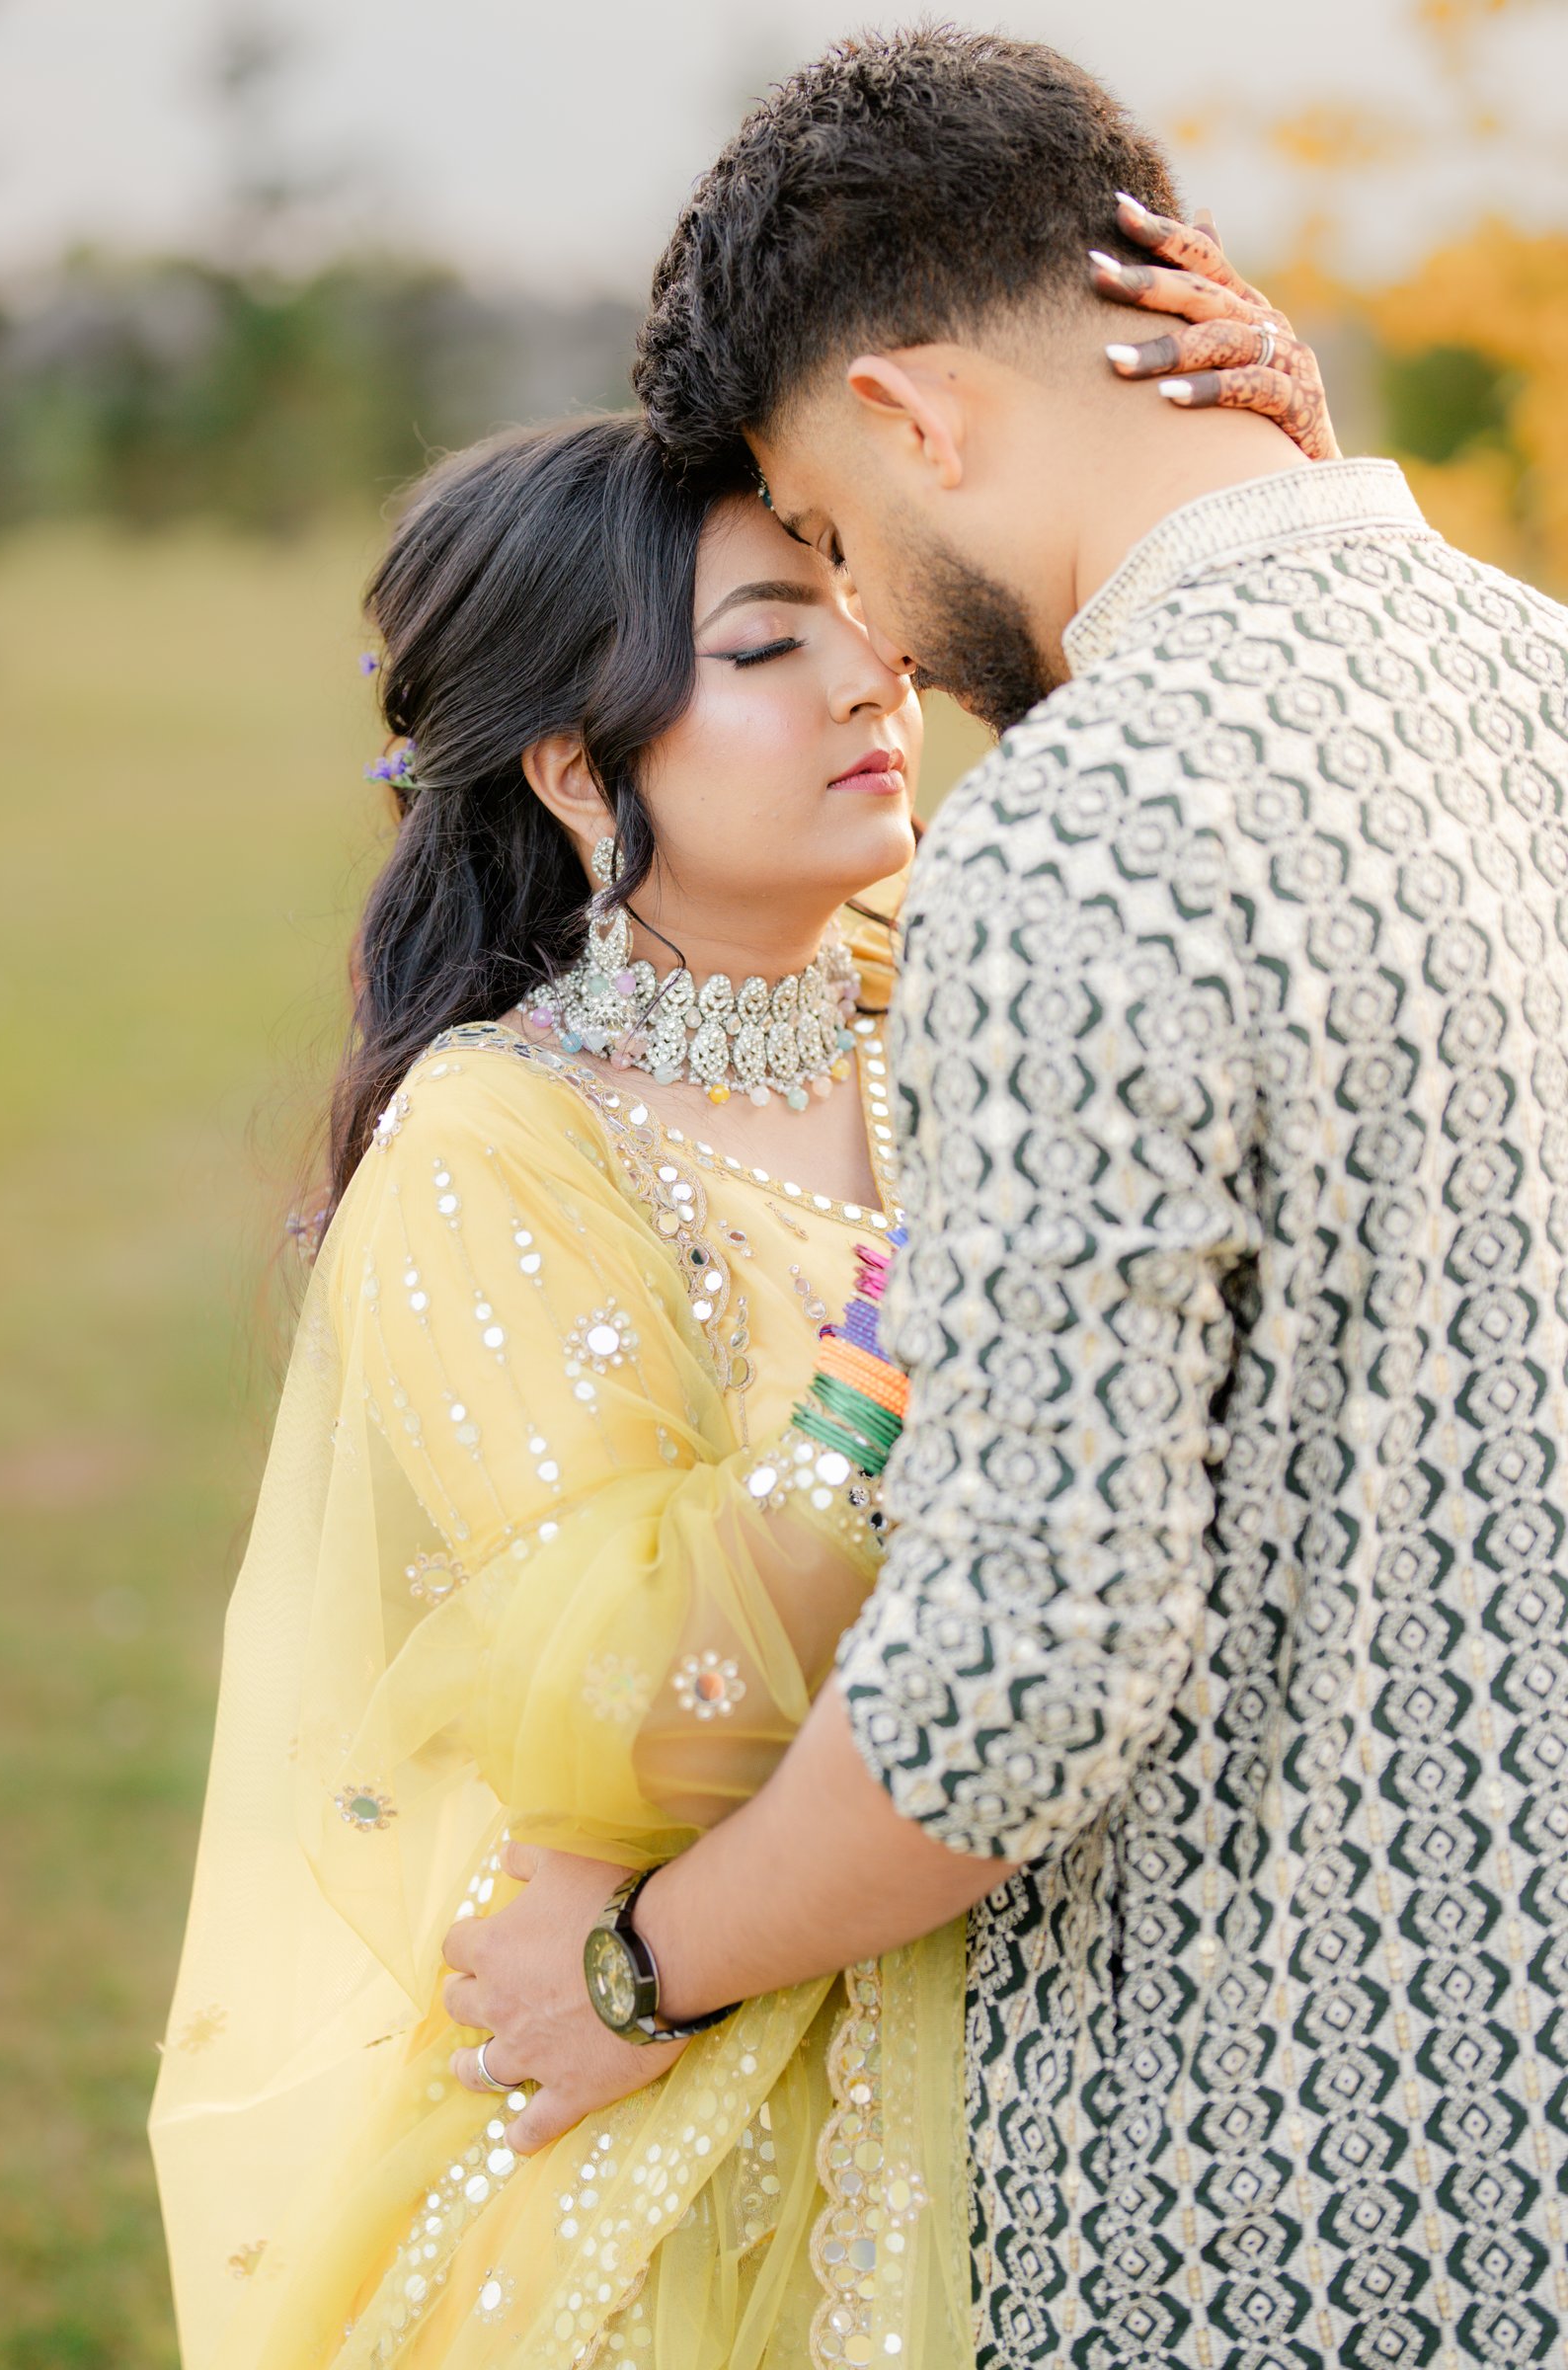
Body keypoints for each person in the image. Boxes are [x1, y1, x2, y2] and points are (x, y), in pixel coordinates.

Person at [443, 28, 1568, 2370]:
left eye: (830, 529)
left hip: (1258, 2189)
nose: (870, 625)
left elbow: (1018, 1677)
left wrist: (632, 1965)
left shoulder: (1073, 838)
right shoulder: (1528, 678)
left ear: (913, 414)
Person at [148, 196, 1335, 2368]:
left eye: (852, 607)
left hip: (1077, 2037)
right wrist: (907, 1344)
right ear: (577, 765)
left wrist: (1267, 489)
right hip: (705, 2122)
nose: (875, 675)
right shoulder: (498, 1144)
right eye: (770, 647)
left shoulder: (951, 990)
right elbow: (619, 1703)